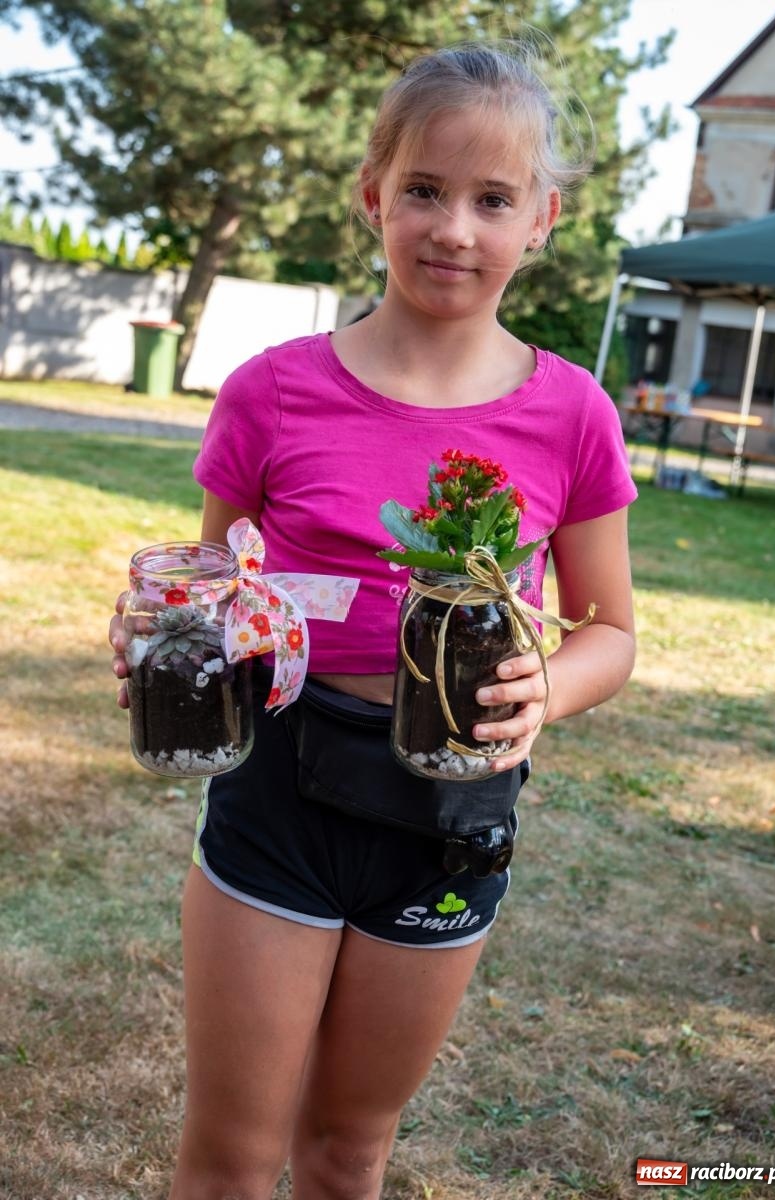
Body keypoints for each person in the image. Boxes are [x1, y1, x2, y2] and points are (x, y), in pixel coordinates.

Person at [110, 41, 637, 1200]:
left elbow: (609, 629)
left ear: (542, 218)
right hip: (281, 798)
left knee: (350, 1155)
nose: (455, 228)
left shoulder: (574, 414)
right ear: (373, 197)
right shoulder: (274, 390)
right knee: (232, 1160)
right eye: (425, 191)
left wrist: (553, 687)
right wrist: (172, 639)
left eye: (493, 199)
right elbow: (223, 582)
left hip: (450, 810)